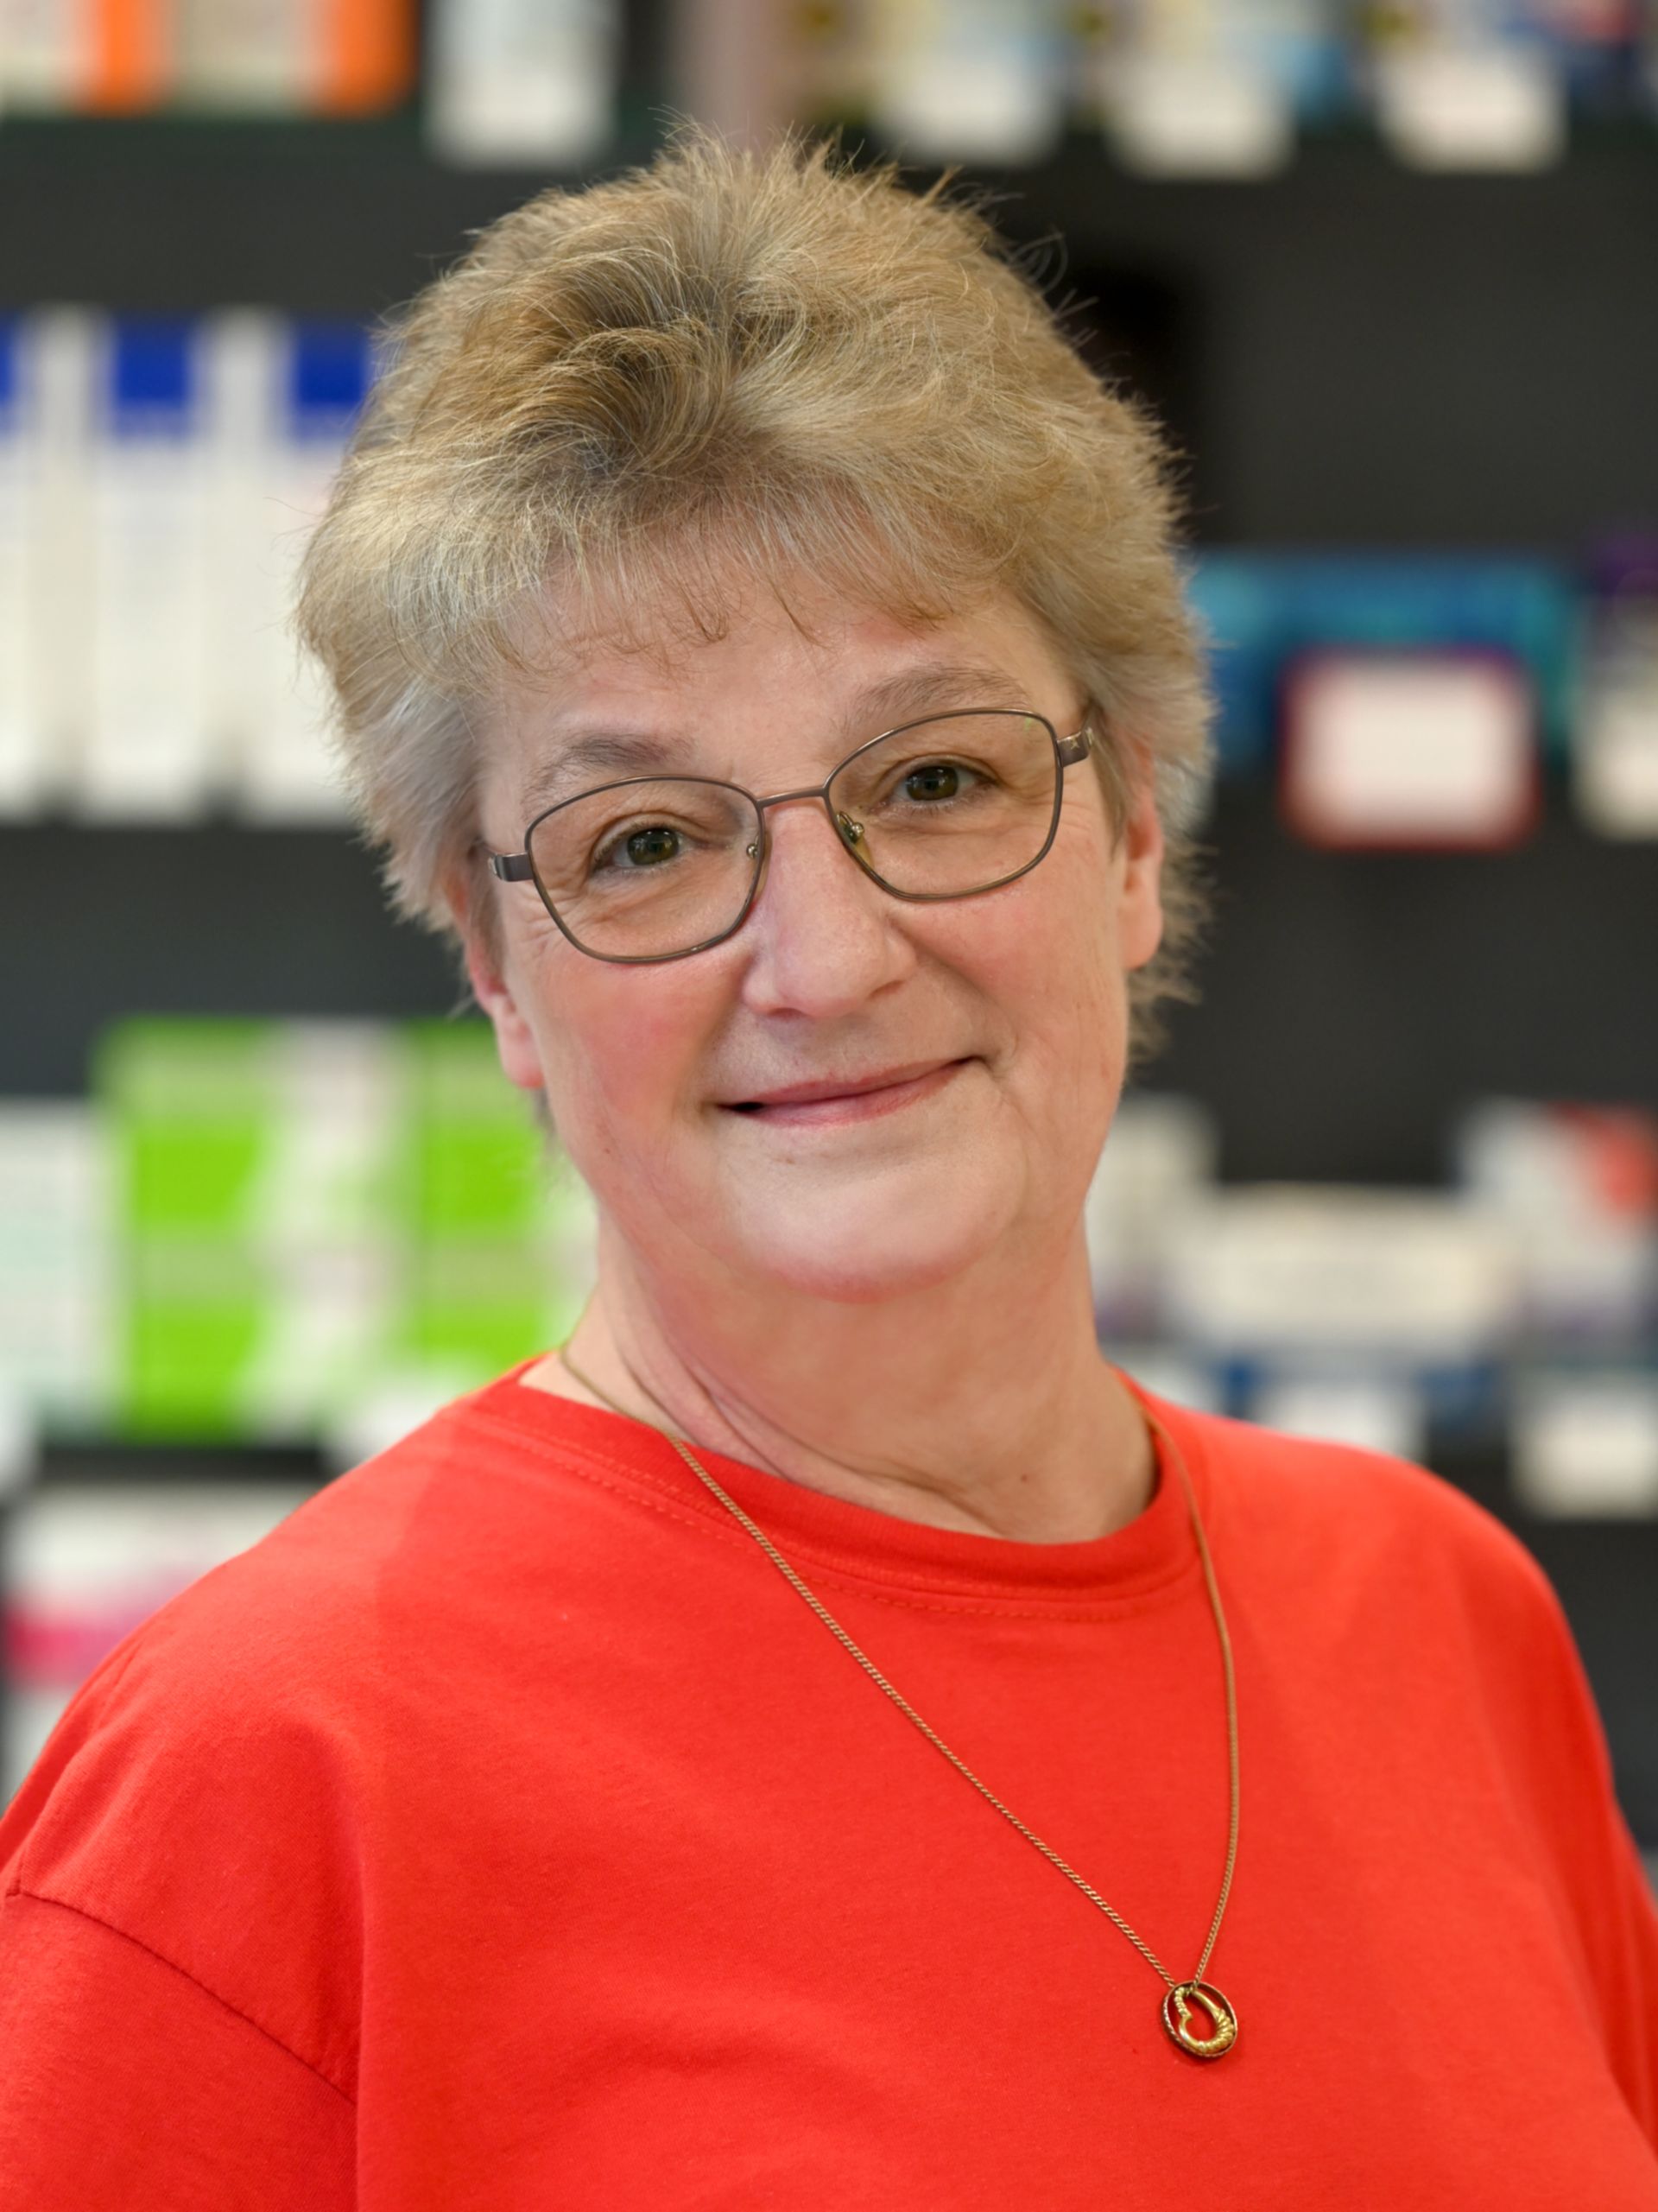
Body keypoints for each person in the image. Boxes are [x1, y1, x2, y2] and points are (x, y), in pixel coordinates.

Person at [3, 127, 1655, 2210]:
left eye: (938, 778)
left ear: (1136, 836)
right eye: (649, 844)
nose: (829, 959)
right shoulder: (267, 1781)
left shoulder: (1446, 1624)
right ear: (502, 973)